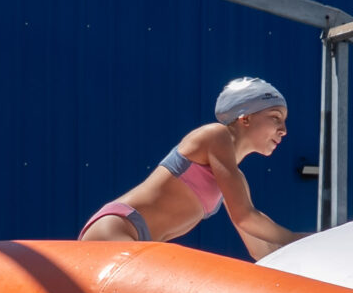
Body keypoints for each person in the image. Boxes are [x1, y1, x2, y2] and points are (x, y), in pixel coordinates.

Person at [80, 79, 306, 260]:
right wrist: (294, 238)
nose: (284, 130)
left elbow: (261, 251)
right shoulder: (215, 135)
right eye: (275, 117)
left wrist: (310, 245)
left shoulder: (233, 178)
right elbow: (245, 217)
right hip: (116, 229)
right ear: (244, 118)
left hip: (135, 239)